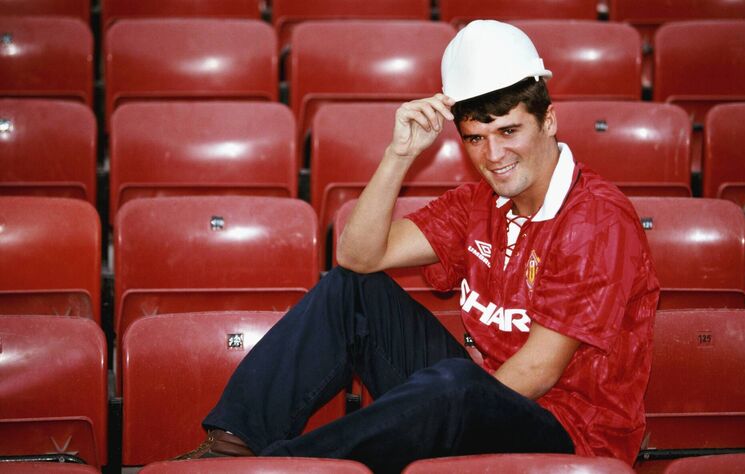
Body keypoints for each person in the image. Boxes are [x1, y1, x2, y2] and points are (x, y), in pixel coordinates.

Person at [177, 20, 659, 472]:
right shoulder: (477, 202)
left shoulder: (596, 218)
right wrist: (399, 154)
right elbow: (357, 256)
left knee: (454, 389)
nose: (493, 156)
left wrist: (450, 399)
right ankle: (230, 448)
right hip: (476, 395)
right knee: (352, 291)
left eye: (509, 131)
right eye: (475, 138)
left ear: (548, 120)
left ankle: (278, 468)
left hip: (569, 434)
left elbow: (537, 373)